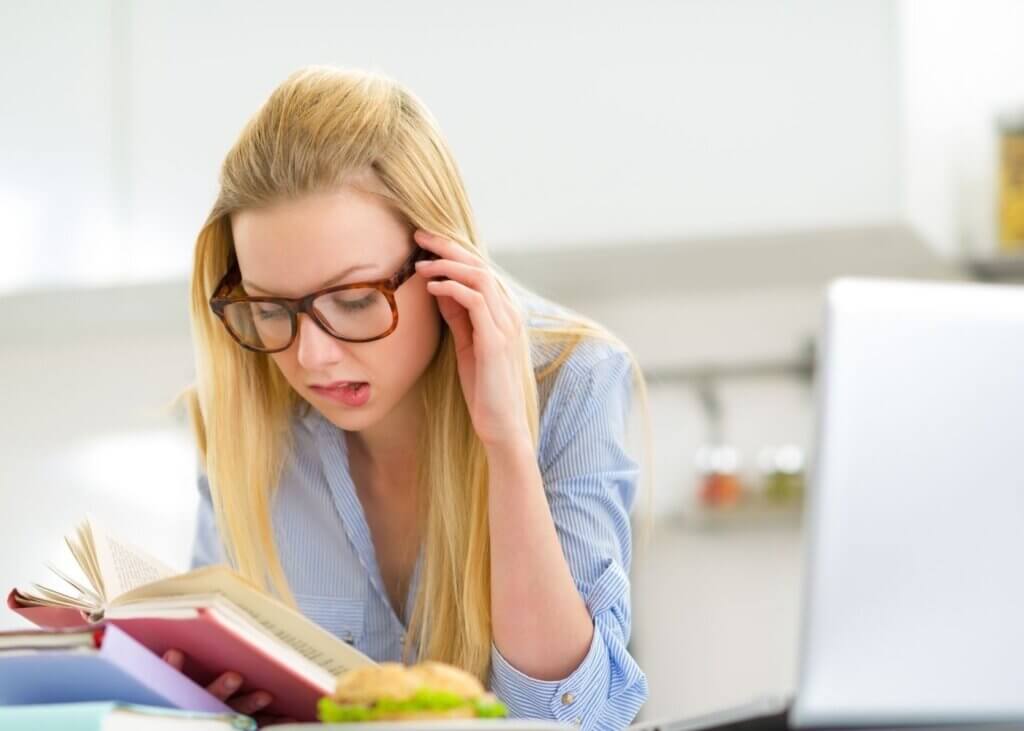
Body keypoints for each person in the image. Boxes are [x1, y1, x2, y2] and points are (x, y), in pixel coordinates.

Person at [168, 65, 651, 729]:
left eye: (356, 300)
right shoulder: (246, 405)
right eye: (270, 307)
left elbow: (570, 716)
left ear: (443, 268)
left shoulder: (573, 380)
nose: (311, 356)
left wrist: (506, 442)